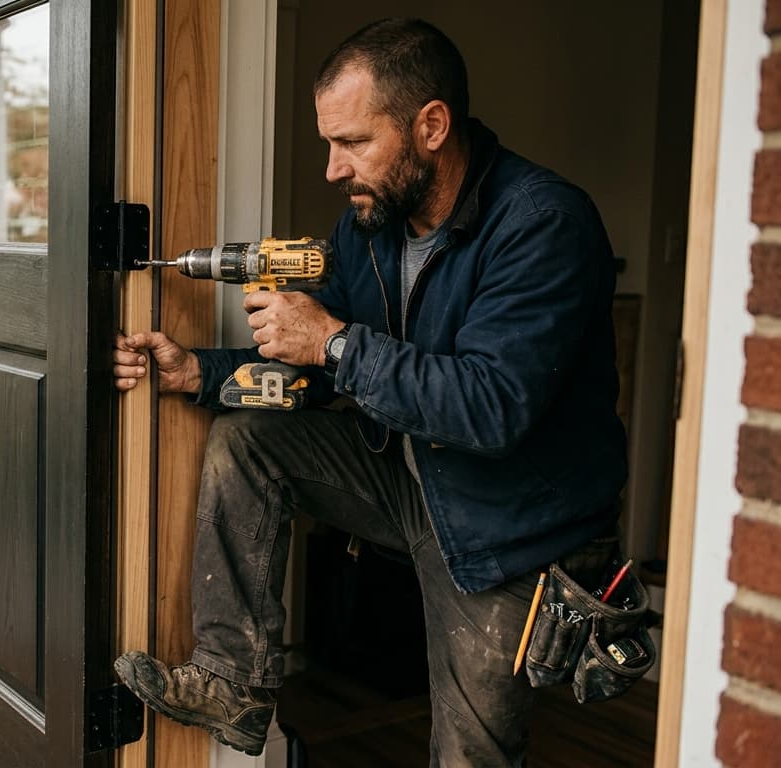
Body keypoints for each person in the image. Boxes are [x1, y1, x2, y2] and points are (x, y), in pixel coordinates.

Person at [111, 17, 628, 765]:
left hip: (506, 527)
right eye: (330, 144)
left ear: (431, 125)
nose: (332, 168)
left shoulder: (543, 224)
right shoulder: (370, 227)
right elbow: (324, 367)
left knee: (470, 756)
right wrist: (202, 373)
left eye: (353, 143)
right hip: (409, 475)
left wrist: (331, 338)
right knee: (250, 439)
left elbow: (490, 409)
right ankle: (235, 681)